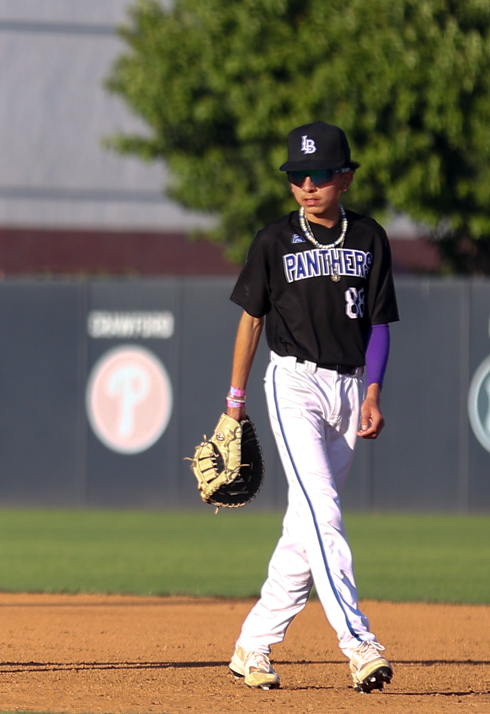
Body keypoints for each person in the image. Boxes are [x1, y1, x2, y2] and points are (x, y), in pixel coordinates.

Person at [224, 122, 399, 693]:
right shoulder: (274, 240)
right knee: (322, 510)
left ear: (344, 178)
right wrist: (234, 403)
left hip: (350, 389)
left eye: (318, 174)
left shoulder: (369, 238)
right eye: (296, 176)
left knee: (305, 529)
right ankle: (359, 642)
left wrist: (373, 391)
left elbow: (379, 323)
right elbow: (251, 321)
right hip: (293, 382)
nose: (306, 185)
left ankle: (252, 645)